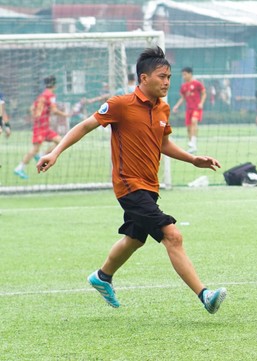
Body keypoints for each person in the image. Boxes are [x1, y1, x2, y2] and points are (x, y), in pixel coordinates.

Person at [36, 47, 227, 314]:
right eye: (162, 76)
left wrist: (192, 159)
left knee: (135, 238)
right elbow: (84, 126)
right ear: (143, 78)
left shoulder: (163, 108)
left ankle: (102, 276)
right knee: (172, 235)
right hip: (129, 185)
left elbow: (163, 144)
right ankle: (205, 295)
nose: (167, 82)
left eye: (170, 77)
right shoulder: (120, 105)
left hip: (150, 186)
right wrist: (54, 152)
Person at [14, 76, 69, 180]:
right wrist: (65, 114)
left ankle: (42, 154)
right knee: (35, 149)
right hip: (40, 127)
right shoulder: (50, 95)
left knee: (60, 141)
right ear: (55, 85)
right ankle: (19, 168)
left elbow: (31, 108)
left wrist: (37, 117)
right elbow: (54, 110)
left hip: (44, 126)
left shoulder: (42, 95)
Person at [172, 67, 206, 154]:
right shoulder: (183, 86)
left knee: (194, 121)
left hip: (197, 108)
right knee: (188, 128)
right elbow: (182, 98)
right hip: (189, 109)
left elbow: (204, 93)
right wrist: (176, 106)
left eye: (185, 74)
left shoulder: (197, 84)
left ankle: (193, 141)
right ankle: (193, 146)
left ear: (190, 74)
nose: (183, 76)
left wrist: (201, 103)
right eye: (182, 75)